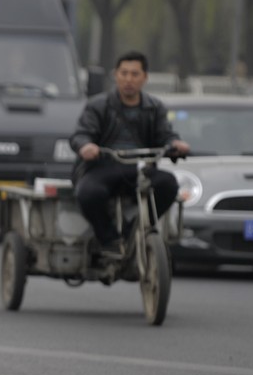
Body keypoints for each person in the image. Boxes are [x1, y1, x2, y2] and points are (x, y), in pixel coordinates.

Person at [69, 50, 190, 256]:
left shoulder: (155, 107)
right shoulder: (98, 105)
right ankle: (108, 239)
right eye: (124, 73)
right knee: (88, 193)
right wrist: (86, 146)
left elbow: (165, 135)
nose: (128, 79)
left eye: (134, 74)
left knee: (168, 184)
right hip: (102, 168)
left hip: (140, 170)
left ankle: (133, 229)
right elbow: (81, 134)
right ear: (115, 75)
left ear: (145, 77)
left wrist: (175, 144)